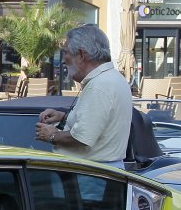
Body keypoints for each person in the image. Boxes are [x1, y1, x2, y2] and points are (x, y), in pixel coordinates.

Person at [35, 24, 132, 164]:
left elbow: (81, 138)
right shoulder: (113, 78)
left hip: (90, 172)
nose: (63, 60)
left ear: (81, 54)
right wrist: (64, 117)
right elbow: (99, 123)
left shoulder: (99, 85)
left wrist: (52, 135)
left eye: (66, 52)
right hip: (100, 170)